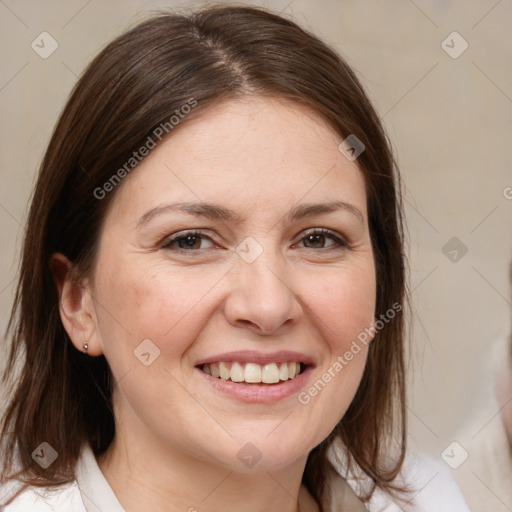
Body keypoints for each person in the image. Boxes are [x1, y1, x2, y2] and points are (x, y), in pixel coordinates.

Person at [0, 5, 469, 511]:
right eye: (190, 241)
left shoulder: (433, 498)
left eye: (317, 239)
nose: (268, 306)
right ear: (78, 303)